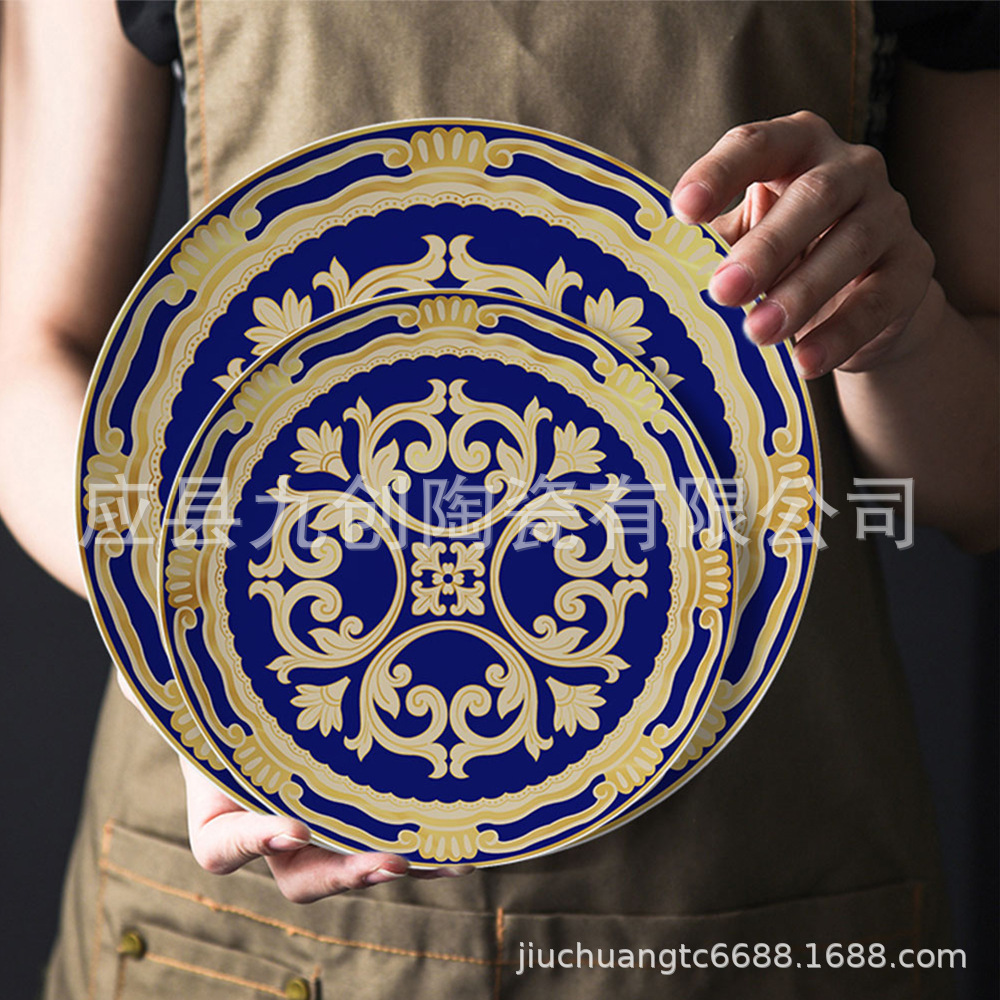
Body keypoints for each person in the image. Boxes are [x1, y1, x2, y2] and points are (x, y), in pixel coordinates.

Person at [0, 1, 995, 997]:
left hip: (754, 874)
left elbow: (976, 491)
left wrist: (891, 326)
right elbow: (26, 355)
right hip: (250, 875)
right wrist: (184, 653)